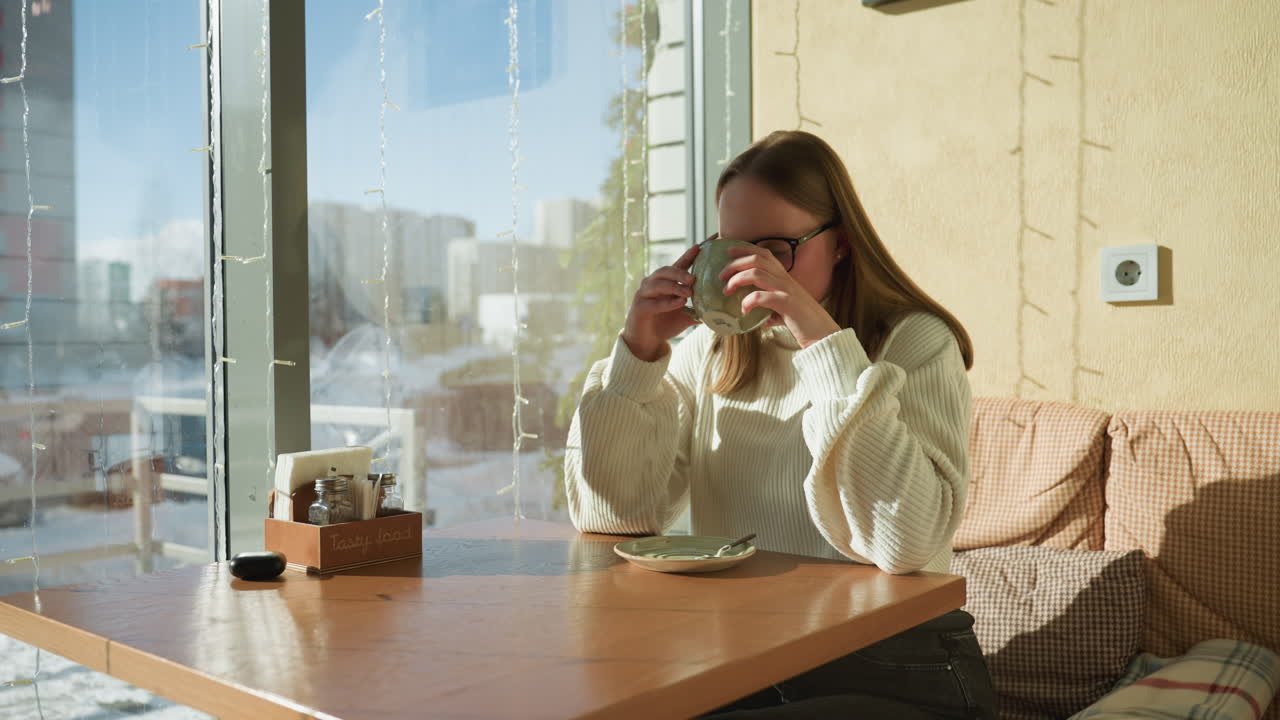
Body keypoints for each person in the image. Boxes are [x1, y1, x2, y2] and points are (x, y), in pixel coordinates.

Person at [564, 130, 997, 718]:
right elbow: (612, 516)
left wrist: (819, 339)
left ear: (840, 243)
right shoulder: (710, 354)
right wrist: (637, 357)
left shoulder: (913, 342)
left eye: (772, 249)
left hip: (896, 666)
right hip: (750, 659)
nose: (748, 270)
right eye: (730, 247)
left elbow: (908, 545)